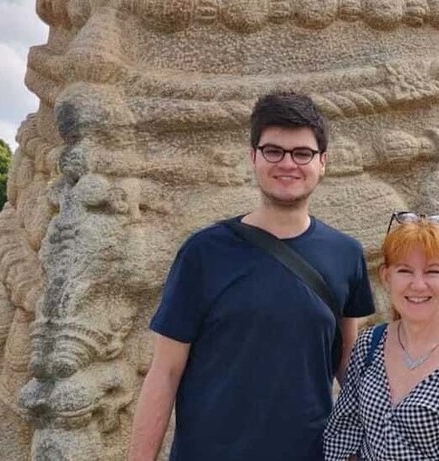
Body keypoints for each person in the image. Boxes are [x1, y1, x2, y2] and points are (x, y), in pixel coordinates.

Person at [128, 92, 375, 460]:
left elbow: (346, 360)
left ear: (323, 162)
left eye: (302, 153)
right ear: (253, 156)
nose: (288, 163)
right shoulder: (204, 253)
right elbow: (164, 371)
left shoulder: (346, 254)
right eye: (273, 150)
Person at [324, 212, 439, 460]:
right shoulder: (369, 344)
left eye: (432, 272)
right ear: (387, 277)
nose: (418, 285)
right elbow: (344, 431)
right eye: (405, 271)